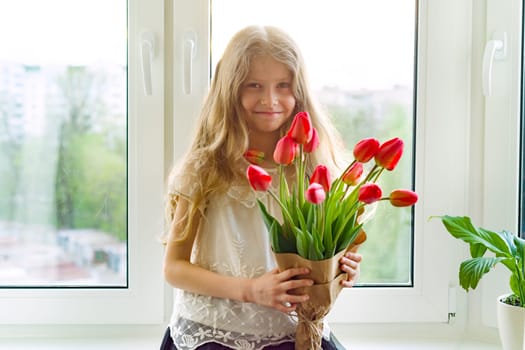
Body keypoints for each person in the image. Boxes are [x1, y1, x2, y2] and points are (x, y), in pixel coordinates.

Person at [161, 25, 362, 350]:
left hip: (296, 336)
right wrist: (251, 290)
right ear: (230, 91)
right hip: (215, 335)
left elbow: (315, 259)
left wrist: (339, 269)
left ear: (299, 91)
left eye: (283, 86)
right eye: (254, 85)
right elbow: (174, 268)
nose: (270, 99)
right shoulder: (204, 169)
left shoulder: (313, 166)